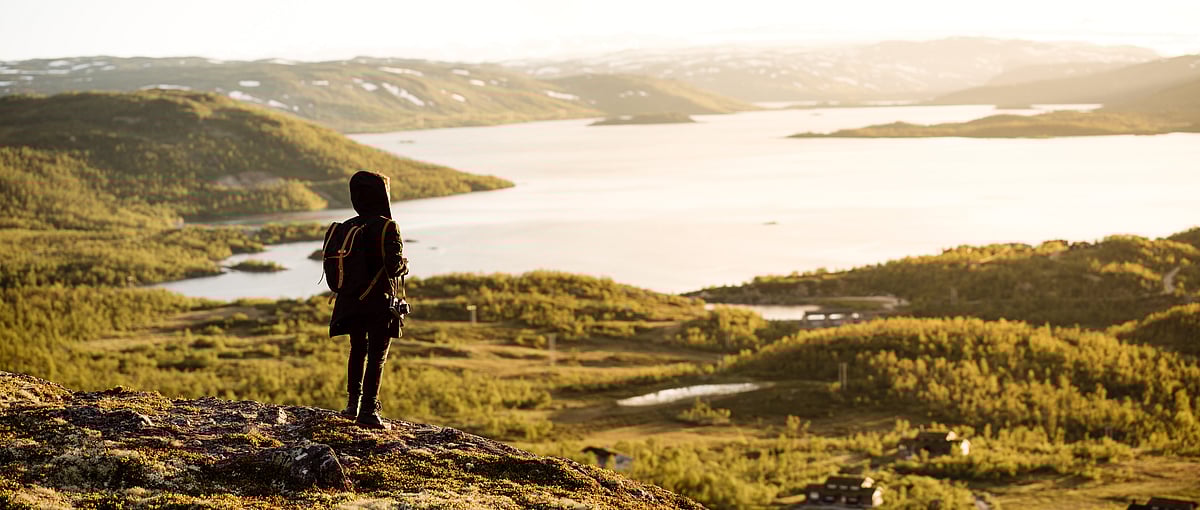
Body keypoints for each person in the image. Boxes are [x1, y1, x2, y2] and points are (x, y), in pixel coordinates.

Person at [329, 171, 408, 429]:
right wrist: (404, 265)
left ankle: (352, 405)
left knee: (357, 350)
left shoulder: (347, 226)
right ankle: (369, 411)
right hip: (377, 302)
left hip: (350, 301)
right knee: (377, 355)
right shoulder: (388, 226)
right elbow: (394, 267)